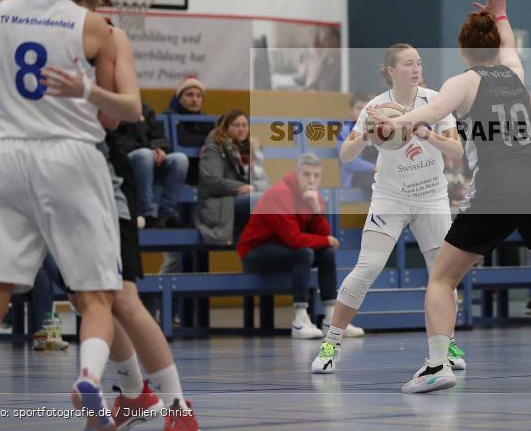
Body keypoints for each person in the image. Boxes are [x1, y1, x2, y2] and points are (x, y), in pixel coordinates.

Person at [0, 0, 201, 428]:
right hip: (54, 175)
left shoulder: (106, 35)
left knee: (120, 299)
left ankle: (176, 404)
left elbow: (120, 116)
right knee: (89, 300)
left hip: (104, 179)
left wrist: (85, 91)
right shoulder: (37, 22)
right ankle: (131, 396)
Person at [368, 0, 531, 394]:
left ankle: (437, 364)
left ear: (463, 49)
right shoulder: (515, 73)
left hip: (498, 188)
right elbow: (510, 44)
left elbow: (433, 112)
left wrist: (394, 121)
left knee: (442, 279)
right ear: (495, 46)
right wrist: (500, 12)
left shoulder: (461, 83)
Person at [0, 0, 125, 428]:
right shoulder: (93, 26)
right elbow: (110, 117)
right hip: (68, 157)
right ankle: (89, 379)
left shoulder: (1, 14)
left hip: (7, 157)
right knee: (94, 295)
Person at [311, 44, 465, 375]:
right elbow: (346, 155)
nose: (416, 68)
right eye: (409, 63)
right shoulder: (375, 107)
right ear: (391, 70)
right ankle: (330, 343)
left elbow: (457, 149)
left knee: (443, 276)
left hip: (431, 199)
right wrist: (365, 136)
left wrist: (427, 134)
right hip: (390, 200)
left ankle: (445, 343)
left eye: (419, 63)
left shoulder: (435, 102)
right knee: (367, 268)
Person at [237, 153, 349, 339]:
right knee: (304, 253)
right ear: (296, 174)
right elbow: (294, 239)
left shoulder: (312, 195)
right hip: (255, 252)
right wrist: (326, 240)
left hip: (286, 251)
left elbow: (321, 236)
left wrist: (315, 209)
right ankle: (299, 319)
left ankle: (331, 319)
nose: (311, 180)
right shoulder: (280, 193)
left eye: (316, 175)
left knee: (326, 253)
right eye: (306, 174)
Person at [193, 110, 268, 248]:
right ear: (226, 128)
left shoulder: (252, 150)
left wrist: (254, 187)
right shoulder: (214, 148)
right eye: (236, 125)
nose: (241, 129)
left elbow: (266, 183)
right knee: (261, 199)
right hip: (223, 202)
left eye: (245, 125)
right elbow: (212, 181)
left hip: (247, 197)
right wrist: (242, 187)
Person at [113, 103, 189, 229]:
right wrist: (148, 150)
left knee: (180, 160)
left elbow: (159, 135)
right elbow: (113, 140)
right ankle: (146, 214)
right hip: (124, 161)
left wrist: (159, 149)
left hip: (151, 158)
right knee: (145, 155)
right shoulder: (112, 107)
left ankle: (167, 215)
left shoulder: (146, 110)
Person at [163, 75, 214, 186]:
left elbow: (218, 137)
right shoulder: (169, 116)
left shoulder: (206, 119)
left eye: (198, 96)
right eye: (189, 95)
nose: (194, 99)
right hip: (177, 172)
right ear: (179, 98)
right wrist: (208, 141)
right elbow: (184, 140)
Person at [338, 91, 377, 196]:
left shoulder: (378, 131)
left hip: (377, 174)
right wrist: (373, 168)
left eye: (367, 109)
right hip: (357, 175)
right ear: (351, 112)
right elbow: (348, 161)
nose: (363, 112)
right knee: (377, 184)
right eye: (359, 108)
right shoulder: (346, 131)